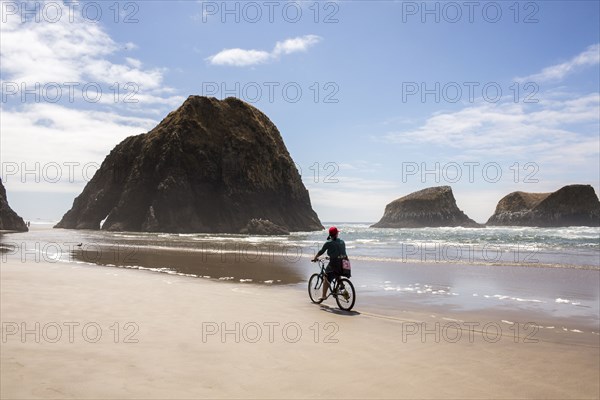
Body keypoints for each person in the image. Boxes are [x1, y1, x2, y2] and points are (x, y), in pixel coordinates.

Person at [312, 226, 347, 301]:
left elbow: (321, 251)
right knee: (337, 273)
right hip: (344, 263)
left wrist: (315, 258)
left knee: (326, 278)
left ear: (330, 234)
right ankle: (342, 287)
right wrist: (331, 257)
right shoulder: (342, 242)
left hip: (334, 264)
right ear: (337, 234)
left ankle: (324, 296)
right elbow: (340, 252)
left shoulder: (328, 243)